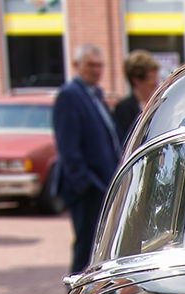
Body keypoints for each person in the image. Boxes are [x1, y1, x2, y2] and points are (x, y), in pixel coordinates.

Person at [52, 43, 122, 274]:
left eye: (99, 65)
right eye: (90, 65)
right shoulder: (69, 96)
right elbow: (68, 147)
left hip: (104, 186)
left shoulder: (95, 95)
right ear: (76, 65)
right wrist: (85, 185)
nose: (96, 70)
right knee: (86, 250)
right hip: (88, 190)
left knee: (101, 248)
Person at [114, 50, 161, 148]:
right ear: (136, 80)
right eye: (151, 78)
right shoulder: (123, 109)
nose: (156, 82)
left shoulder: (159, 104)